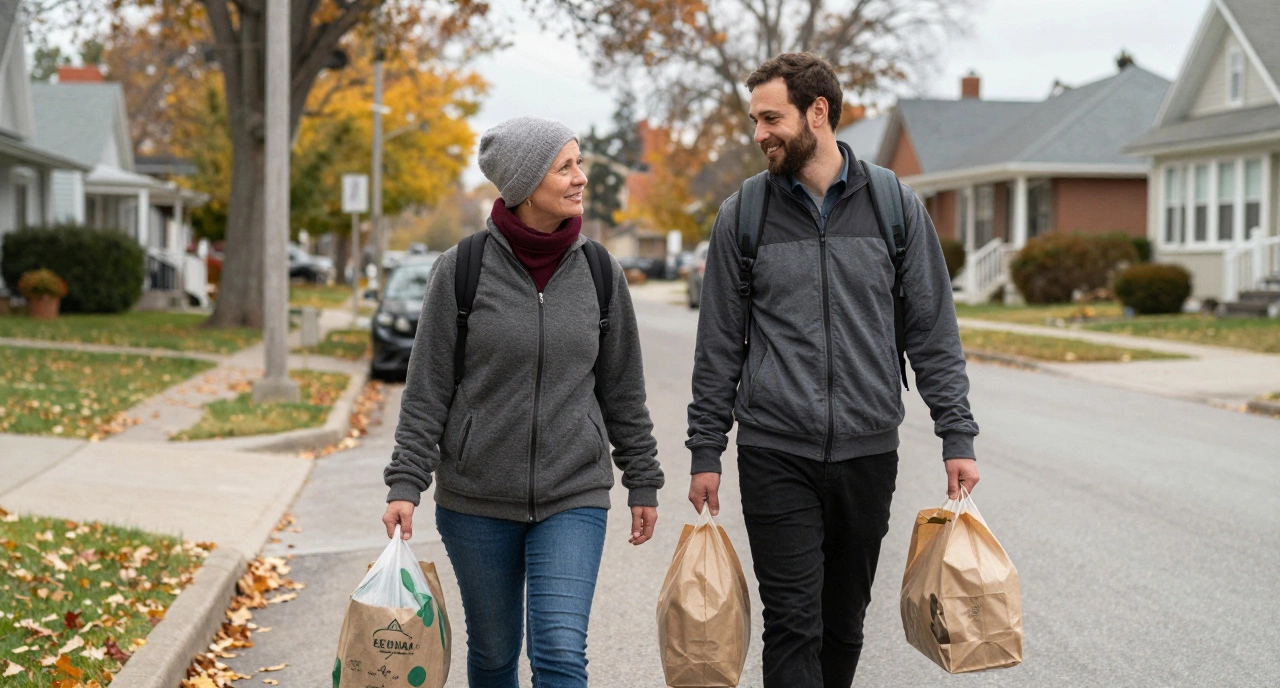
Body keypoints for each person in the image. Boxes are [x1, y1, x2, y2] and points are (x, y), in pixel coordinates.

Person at [685, 52, 981, 686]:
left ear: (817, 113)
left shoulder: (892, 206)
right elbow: (718, 346)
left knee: (844, 623)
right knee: (793, 622)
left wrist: (956, 434)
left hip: (867, 452)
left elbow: (931, 330)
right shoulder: (745, 214)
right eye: (755, 119)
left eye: (771, 118)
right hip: (774, 451)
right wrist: (706, 451)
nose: (759, 133)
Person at [382, 116, 664, 688]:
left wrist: (643, 478)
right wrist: (405, 483)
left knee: (560, 653)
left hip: (573, 494)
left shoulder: (600, 272)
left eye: (578, 162)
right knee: (492, 656)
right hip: (476, 498)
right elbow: (428, 387)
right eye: (566, 167)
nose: (581, 178)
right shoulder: (460, 270)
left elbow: (623, 390)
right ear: (525, 183)